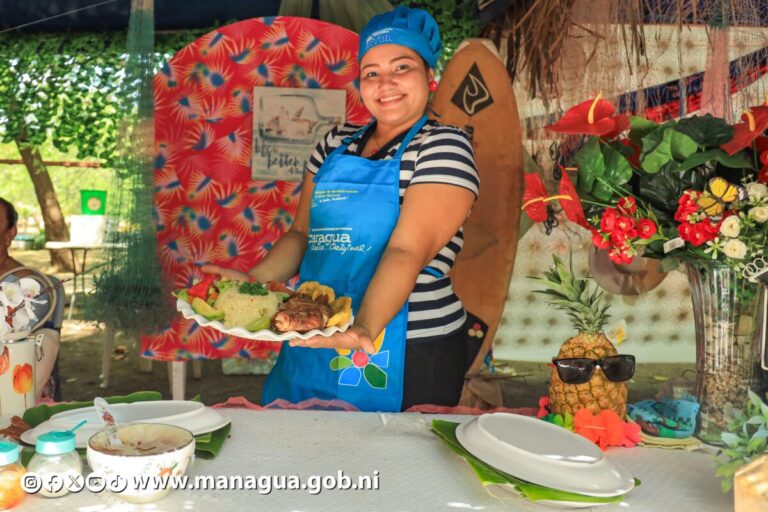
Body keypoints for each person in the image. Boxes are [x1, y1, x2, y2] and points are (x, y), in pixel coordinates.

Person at [204, 6, 480, 412]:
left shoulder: (443, 146)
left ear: (429, 77)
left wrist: (364, 326)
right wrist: (253, 283)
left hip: (407, 343)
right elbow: (302, 235)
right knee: (306, 456)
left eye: (401, 67)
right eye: (371, 72)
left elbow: (407, 251)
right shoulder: (334, 142)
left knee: (394, 466)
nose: (385, 83)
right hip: (318, 330)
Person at [0, 197, 61, 401]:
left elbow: (17, 335)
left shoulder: (30, 285)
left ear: (11, 233)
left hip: (12, 379)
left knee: (49, 338)